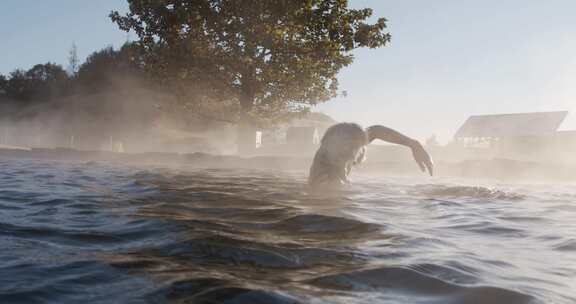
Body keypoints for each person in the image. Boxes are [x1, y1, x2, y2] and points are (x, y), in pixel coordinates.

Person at [308, 123, 434, 188]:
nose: (353, 152)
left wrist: (413, 144)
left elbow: (375, 131)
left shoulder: (344, 152)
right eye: (348, 147)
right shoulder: (330, 179)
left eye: (356, 147)